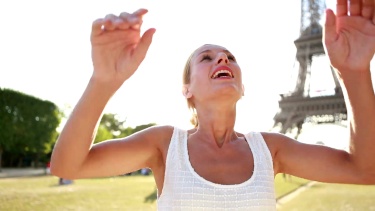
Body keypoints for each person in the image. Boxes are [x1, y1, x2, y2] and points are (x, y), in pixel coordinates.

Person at [50, 0, 375, 210]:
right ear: (187, 89)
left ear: (243, 87)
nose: (222, 58)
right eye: (207, 57)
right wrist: (104, 80)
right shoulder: (164, 145)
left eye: (230, 57)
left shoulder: (270, 149)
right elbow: (68, 166)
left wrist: (354, 72)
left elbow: (366, 170)